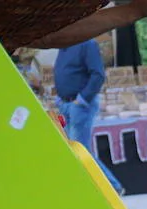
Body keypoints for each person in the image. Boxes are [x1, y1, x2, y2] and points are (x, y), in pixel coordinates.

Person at [53, 38, 125, 195]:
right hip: (67, 104)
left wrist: (83, 98)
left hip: (80, 106)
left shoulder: (86, 44)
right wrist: (60, 97)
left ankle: (112, 186)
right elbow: (66, 72)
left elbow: (98, 74)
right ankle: (107, 186)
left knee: (79, 149)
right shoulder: (64, 46)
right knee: (74, 149)